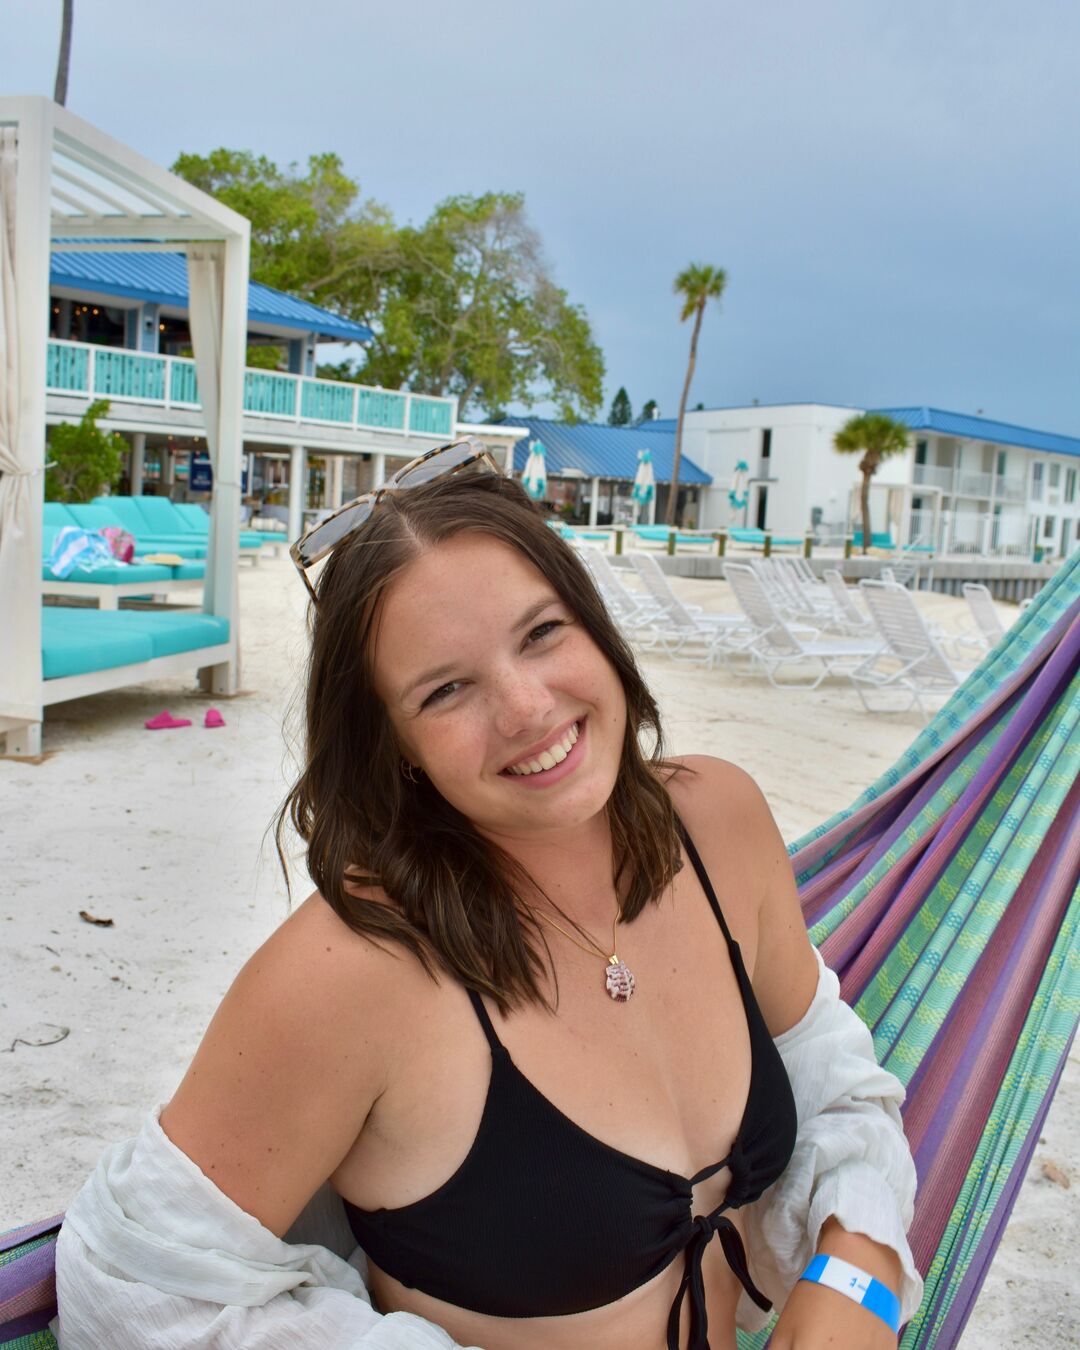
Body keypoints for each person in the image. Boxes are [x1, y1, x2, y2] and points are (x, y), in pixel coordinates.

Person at [56, 439, 923, 1349]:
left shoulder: (717, 824)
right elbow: (131, 1284)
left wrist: (856, 1273)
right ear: (395, 747)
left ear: (594, 624)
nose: (526, 707)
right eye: (446, 690)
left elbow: (827, 1074)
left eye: (543, 633)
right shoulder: (357, 971)